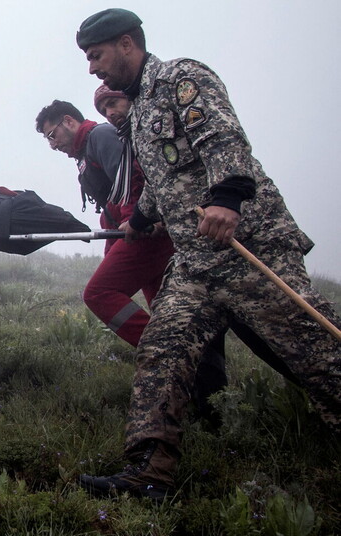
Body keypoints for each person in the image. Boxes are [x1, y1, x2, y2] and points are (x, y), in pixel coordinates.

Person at [74, 8, 341, 500]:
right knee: (162, 351)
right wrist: (139, 219)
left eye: (97, 55)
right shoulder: (136, 113)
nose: (92, 68)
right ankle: (148, 475)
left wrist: (227, 198)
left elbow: (224, 141)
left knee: (314, 353)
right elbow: (164, 177)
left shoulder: (181, 78)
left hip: (247, 247)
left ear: (127, 44)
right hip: (196, 265)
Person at [34, 98, 173, 347]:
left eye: (52, 135)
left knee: (98, 294)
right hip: (136, 232)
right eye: (48, 140)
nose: (53, 145)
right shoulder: (85, 152)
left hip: (146, 231)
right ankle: (200, 373)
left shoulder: (101, 135)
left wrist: (134, 220)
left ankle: (161, 350)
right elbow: (111, 204)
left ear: (69, 121)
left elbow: (131, 176)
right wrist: (112, 246)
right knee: (166, 310)